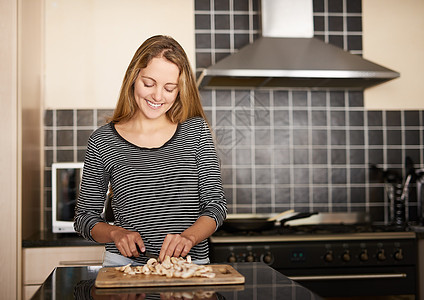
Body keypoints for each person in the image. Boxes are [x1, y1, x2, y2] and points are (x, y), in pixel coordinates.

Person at [74, 35, 227, 266]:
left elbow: (215, 205)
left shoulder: (196, 132)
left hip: (189, 267)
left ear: (179, 90)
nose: (157, 96)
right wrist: (115, 233)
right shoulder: (103, 140)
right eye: (149, 84)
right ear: (133, 78)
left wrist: (189, 237)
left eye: (169, 88)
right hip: (124, 267)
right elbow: (84, 217)